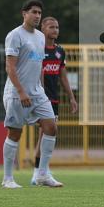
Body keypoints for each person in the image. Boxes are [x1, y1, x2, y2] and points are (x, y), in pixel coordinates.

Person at [2, 0, 61, 188]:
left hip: (38, 93)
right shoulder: (15, 35)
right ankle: (7, 178)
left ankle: (42, 174)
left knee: (51, 127)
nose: (37, 16)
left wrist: (41, 90)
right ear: (24, 14)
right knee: (15, 133)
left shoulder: (40, 37)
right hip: (16, 93)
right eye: (33, 12)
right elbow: (10, 67)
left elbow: (39, 66)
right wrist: (21, 91)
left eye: (39, 13)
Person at [30, 16, 78, 186]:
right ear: (42, 29)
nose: (55, 30)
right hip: (38, 97)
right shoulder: (37, 48)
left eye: (57, 27)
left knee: (45, 134)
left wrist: (71, 97)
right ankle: (39, 171)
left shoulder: (60, 51)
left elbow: (63, 76)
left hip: (53, 99)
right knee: (44, 133)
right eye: (51, 27)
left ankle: (40, 171)